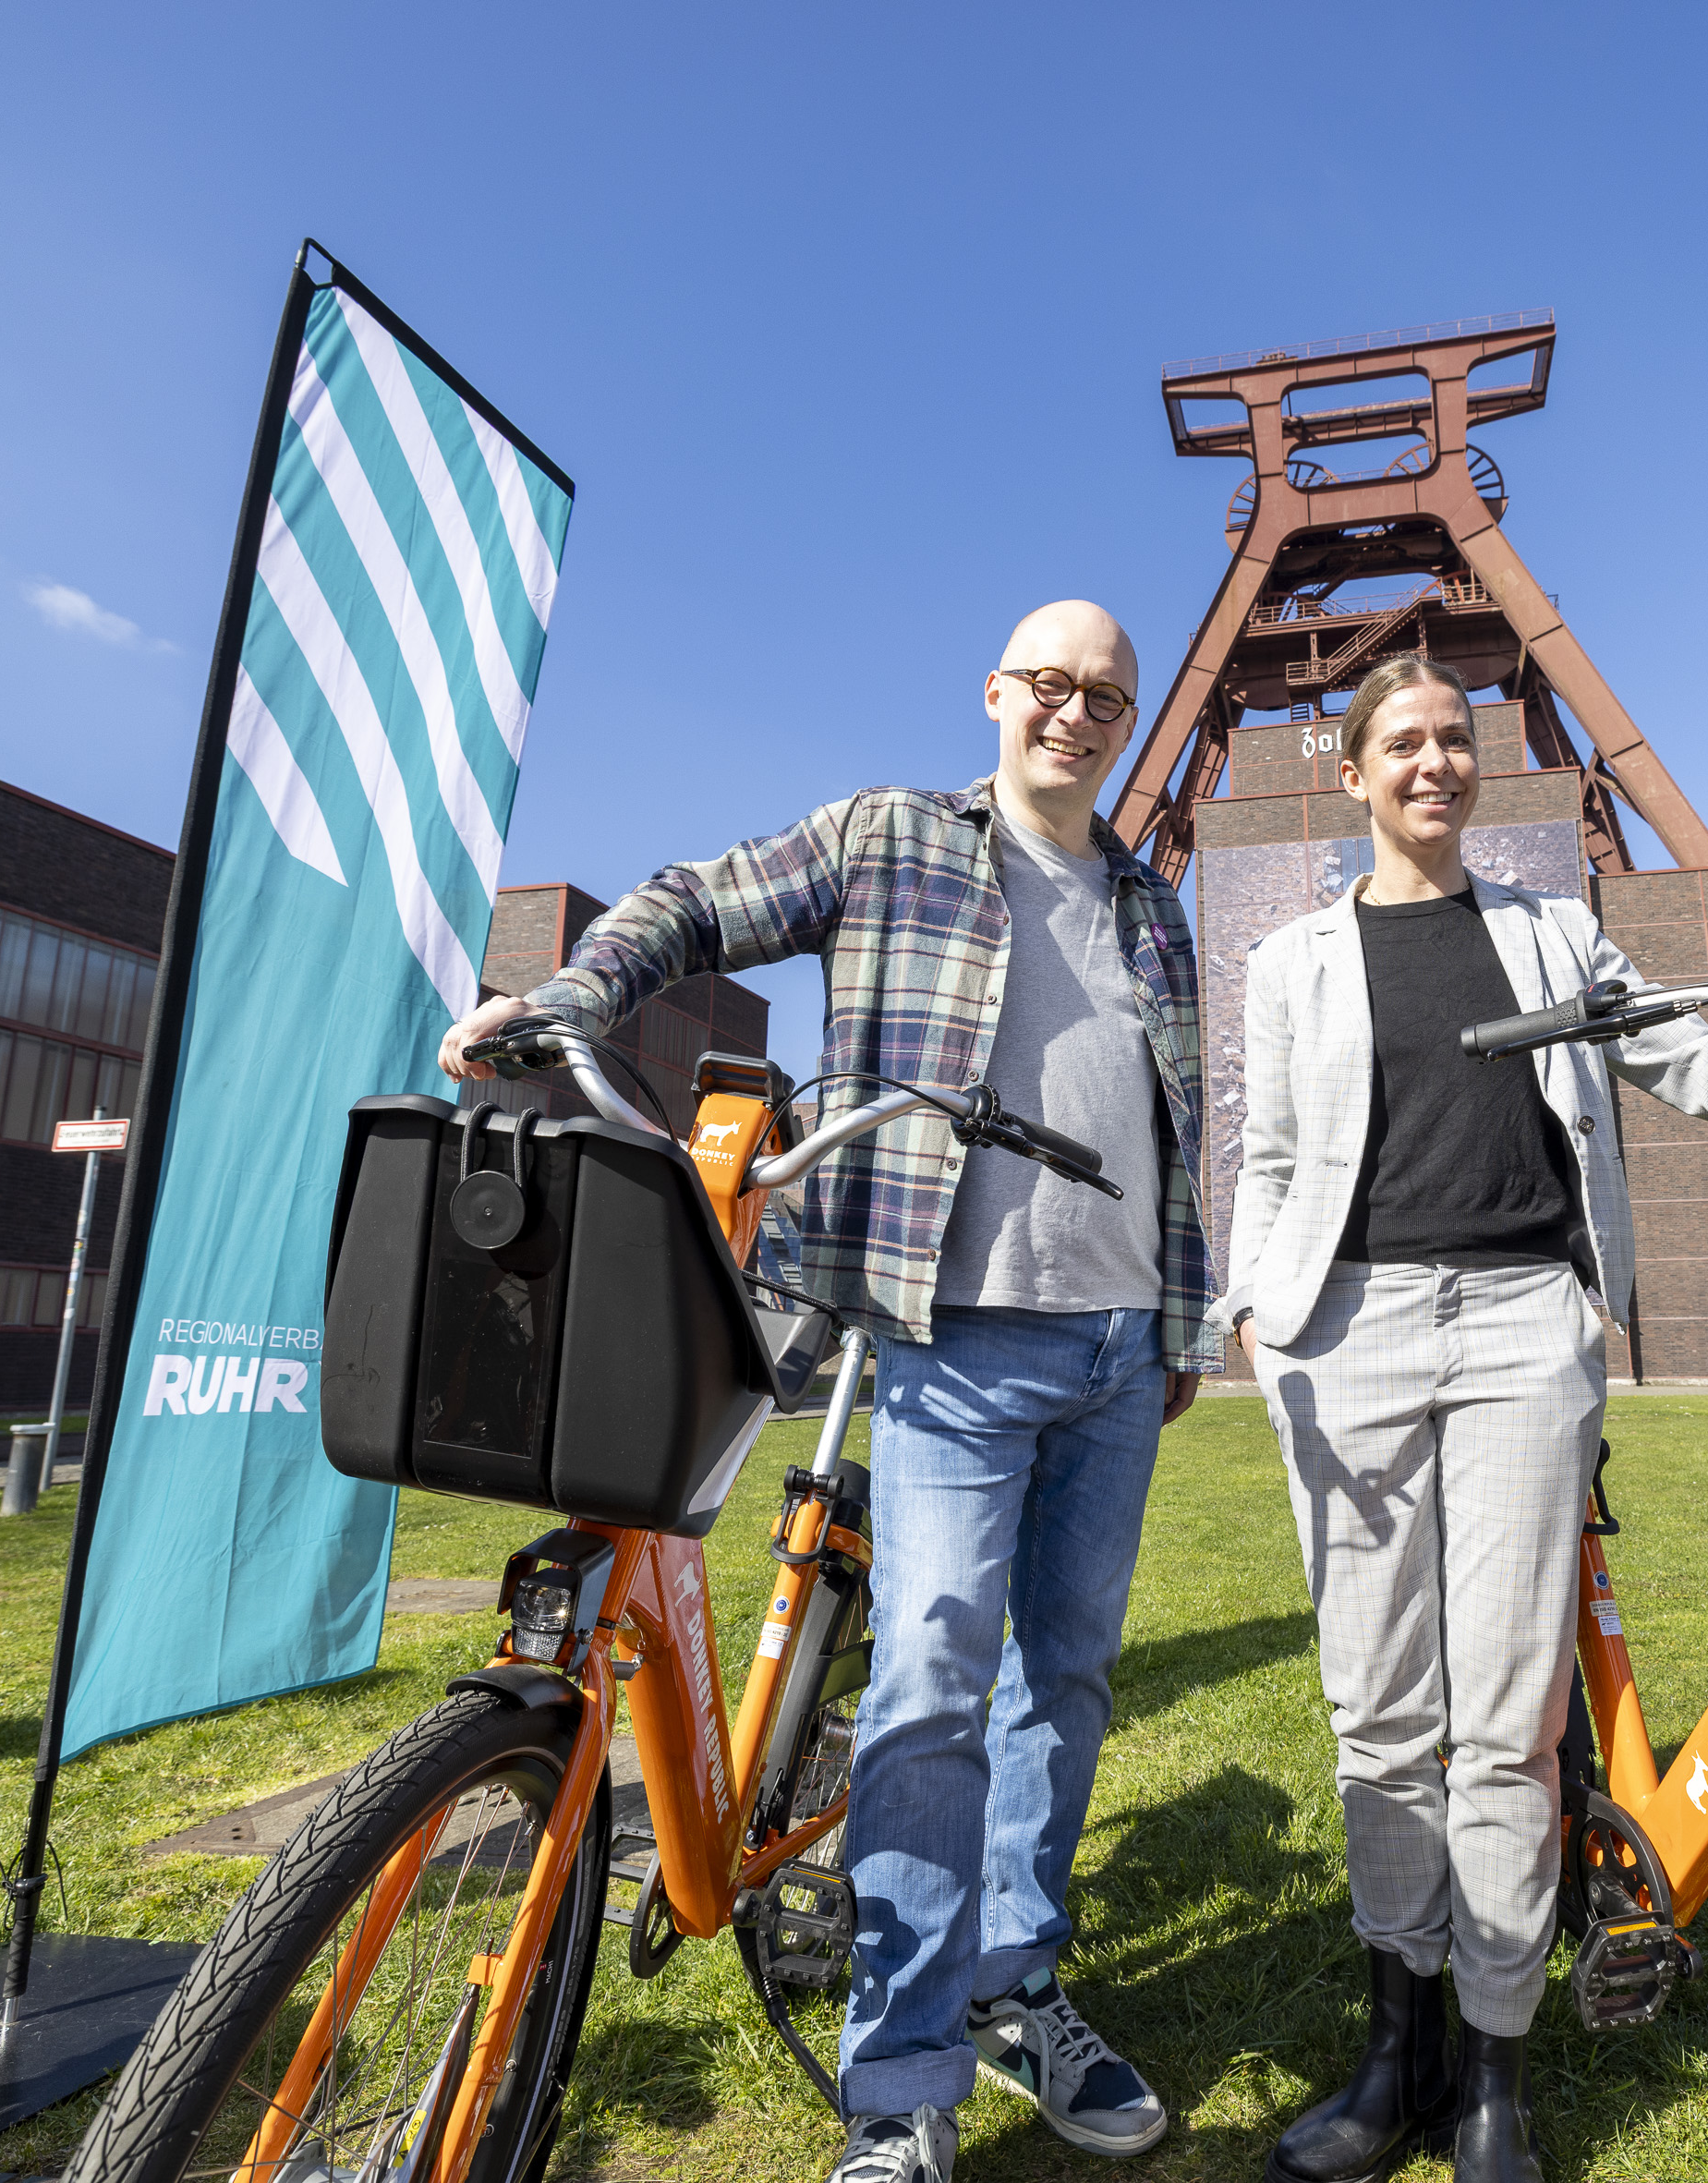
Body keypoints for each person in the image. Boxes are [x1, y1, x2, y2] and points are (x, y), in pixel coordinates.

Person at [441, 601, 1214, 2183]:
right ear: (996, 692)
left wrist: (1182, 1321)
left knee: (1060, 1684)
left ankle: (1018, 1986)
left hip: (1120, 1342)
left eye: (1108, 700)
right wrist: (578, 995)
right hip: (953, 1334)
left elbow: (1183, 1127)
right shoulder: (890, 840)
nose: (1077, 714)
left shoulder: (1153, 903)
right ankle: (902, 2087)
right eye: (1052, 685)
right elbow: (695, 903)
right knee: (931, 1688)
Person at [1217, 656, 1708, 2183]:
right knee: (1382, 1718)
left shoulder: (1553, 931)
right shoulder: (1293, 959)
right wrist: (1257, 1308)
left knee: (1508, 1725)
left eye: (1455, 740)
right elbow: (1268, 1154)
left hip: (1520, 1329)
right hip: (1348, 1331)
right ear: (1355, 770)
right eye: (1405, 744)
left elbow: (1700, 1058)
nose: (1435, 763)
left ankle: (1499, 2071)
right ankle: (1400, 2048)